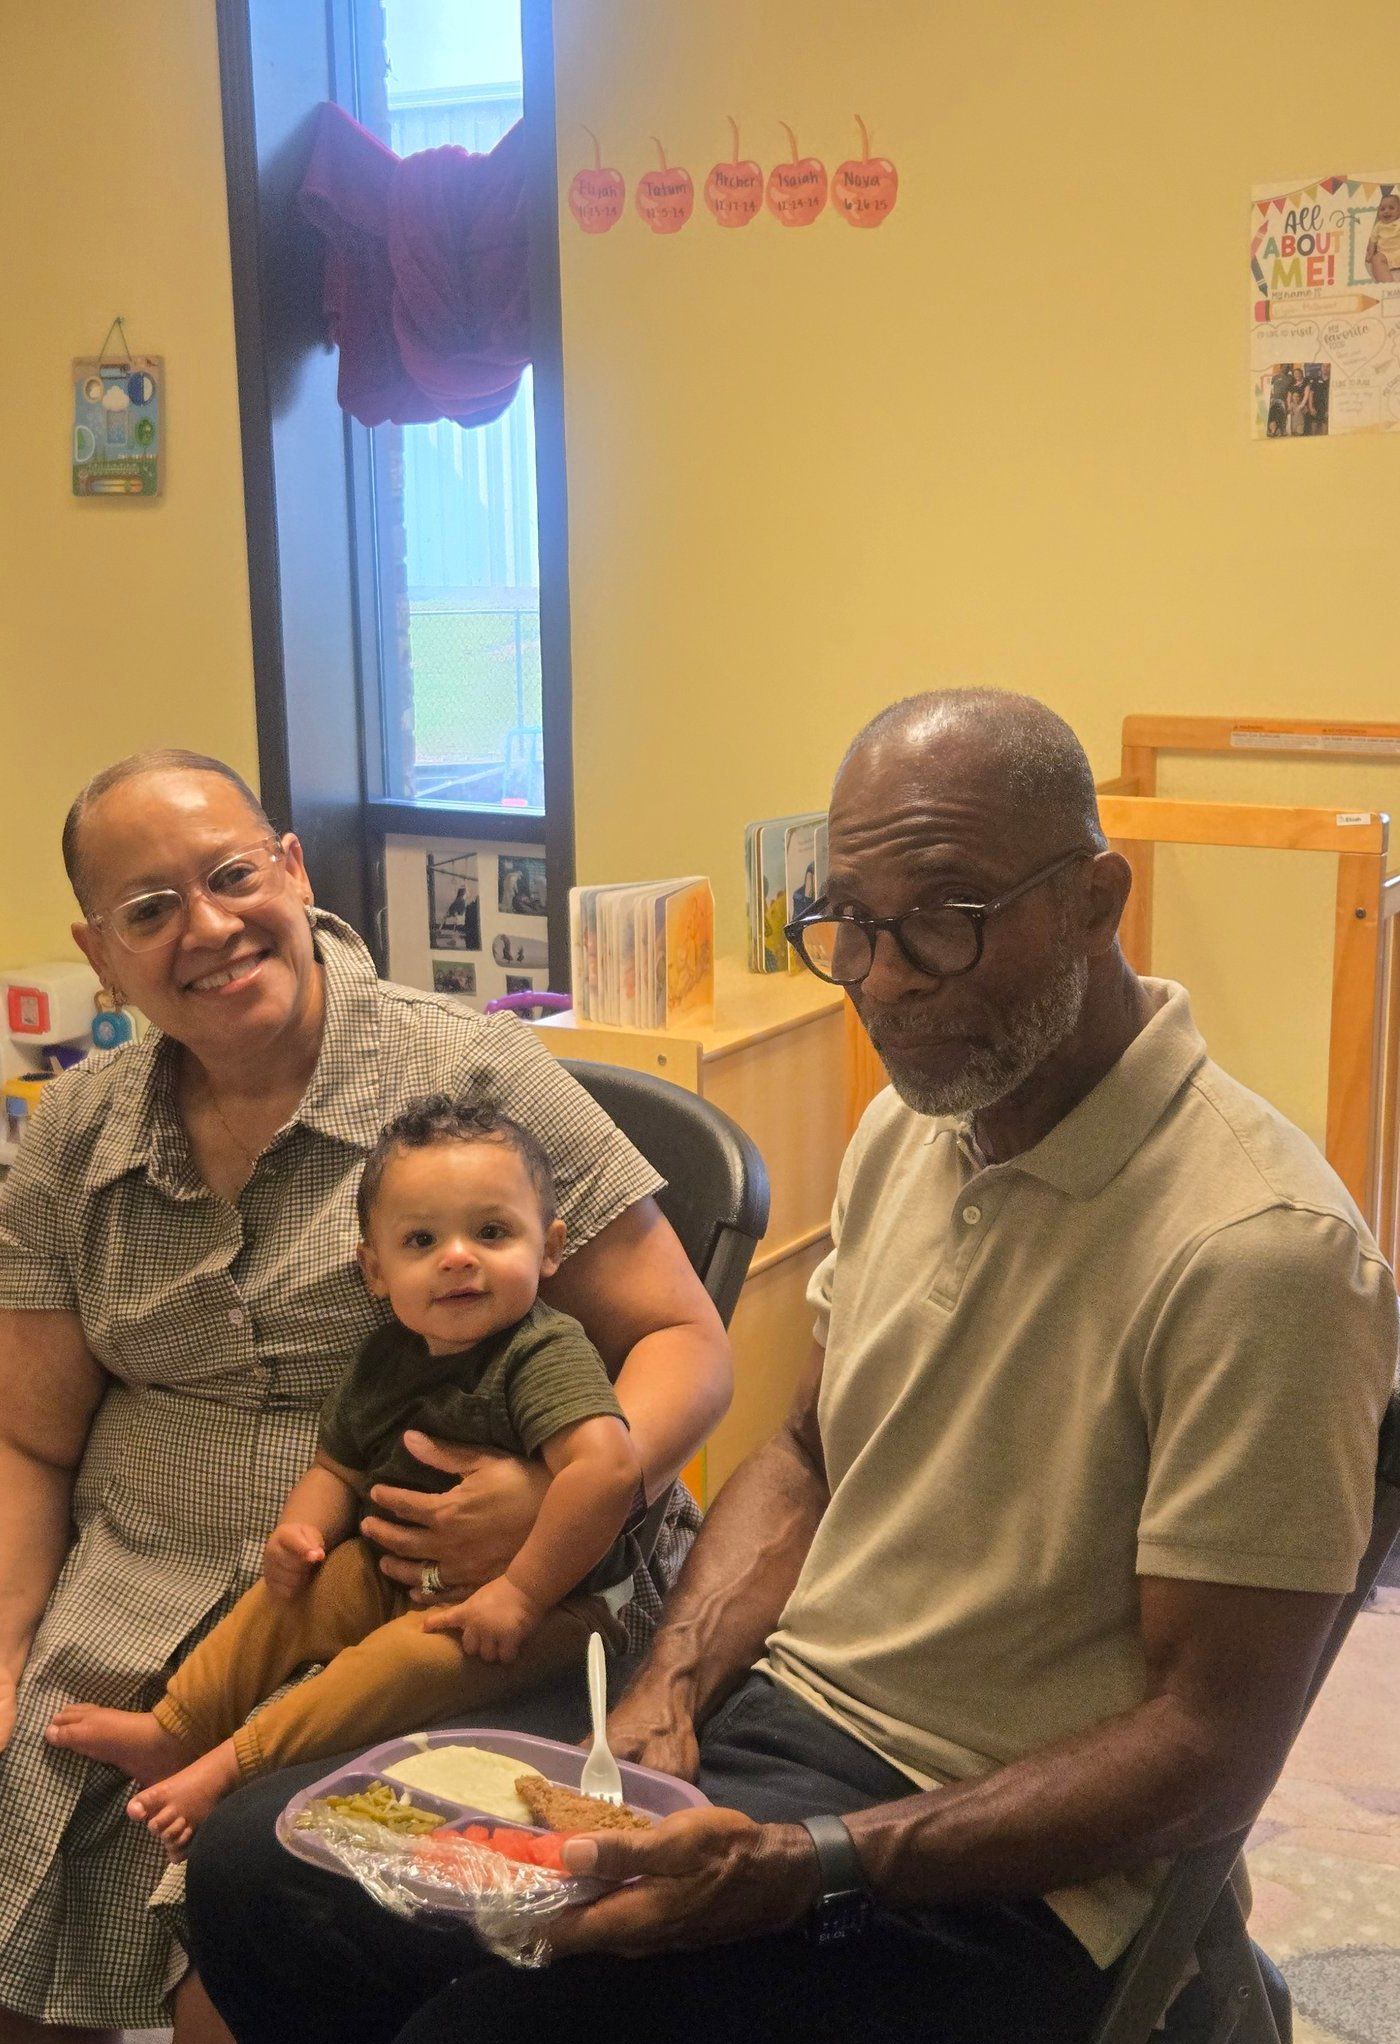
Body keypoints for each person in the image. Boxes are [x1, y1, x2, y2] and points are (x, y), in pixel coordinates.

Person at [187, 691, 1397, 2044]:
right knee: (259, 1877)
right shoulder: (910, 1131)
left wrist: (818, 1863)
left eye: (942, 920)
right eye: (850, 926)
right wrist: (667, 1688)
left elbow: (1207, 1748)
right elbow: (810, 1451)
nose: (883, 980)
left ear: (1093, 902)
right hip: (778, 1741)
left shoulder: (1261, 1252)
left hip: (1007, 1867)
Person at [0, 750, 731, 2042]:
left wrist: (553, 1499)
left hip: (421, 1597)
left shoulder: (469, 1077)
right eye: (151, 909)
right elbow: (28, 1438)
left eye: (232, 876)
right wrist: (5, 1646)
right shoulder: (73, 1135)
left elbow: (687, 1339)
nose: (208, 927)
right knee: (27, 1837)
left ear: (292, 869)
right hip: (128, 1586)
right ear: (99, 953)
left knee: (255, 1924)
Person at [45, 1099, 643, 1854]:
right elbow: (335, 1466)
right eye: (422, 1240)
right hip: (395, 1572)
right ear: (374, 1270)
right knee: (288, 1595)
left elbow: (606, 1468)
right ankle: (179, 1727)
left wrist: (520, 1593)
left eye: (492, 1233)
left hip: (556, 1607)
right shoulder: (386, 1358)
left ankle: (231, 1767)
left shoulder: (541, 1352)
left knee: (400, 1663)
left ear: (549, 1248)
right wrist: (300, 1530)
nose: (458, 1257)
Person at [1366, 190, 1400, 283]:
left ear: (1399, 211)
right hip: (1385, 255)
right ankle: (1387, 283)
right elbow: (1373, 240)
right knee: (1376, 259)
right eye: (1382, 209)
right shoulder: (1378, 226)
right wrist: (1371, 253)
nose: (1386, 211)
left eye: (1391, 208)